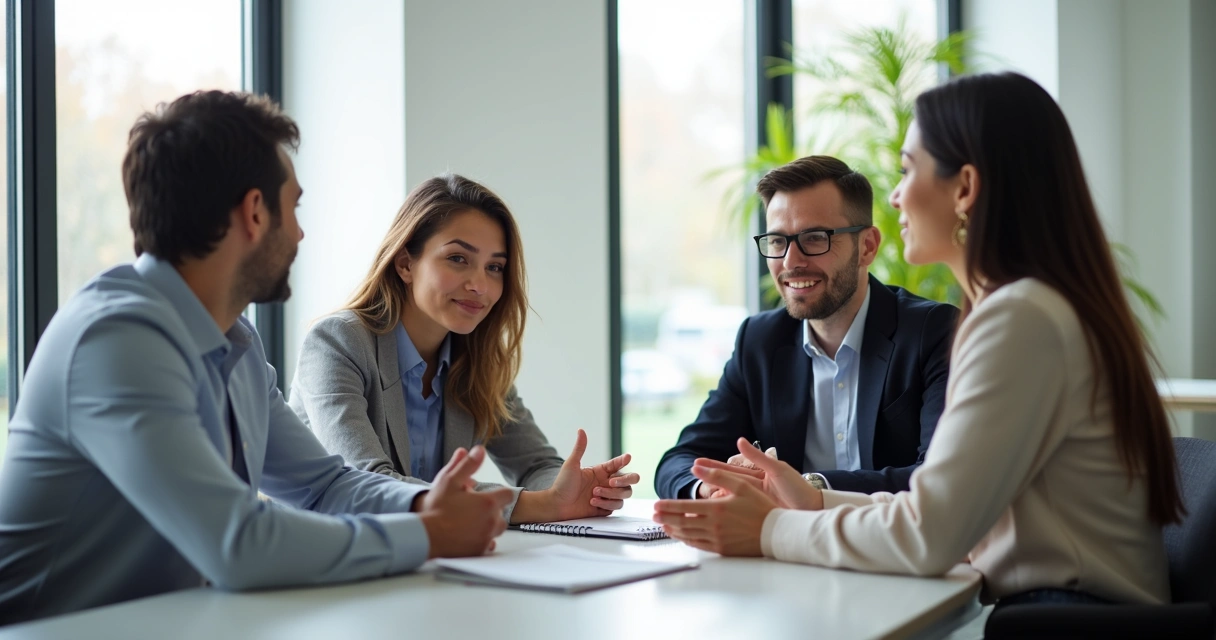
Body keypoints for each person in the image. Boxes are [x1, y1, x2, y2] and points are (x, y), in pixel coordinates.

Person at [653, 72, 1183, 609]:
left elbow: (931, 534)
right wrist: (810, 500)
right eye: (778, 243)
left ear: (965, 188)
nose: (898, 194)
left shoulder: (1020, 321)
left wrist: (769, 530)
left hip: (1070, 624)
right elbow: (949, 514)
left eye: (909, 170)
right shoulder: (1034, 308)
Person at [0, 91, 513, 625]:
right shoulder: (115, 339)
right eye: (293, 208)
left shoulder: (235, 342)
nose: (299, 232)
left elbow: (321, 486)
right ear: (253, 212)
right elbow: (237, 543)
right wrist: (428, 534)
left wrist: (422, 506)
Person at [289, 174, 638, 524]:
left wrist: (571, 491)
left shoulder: (476, 361)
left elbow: (536, 465)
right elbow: (367, 485)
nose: (479, 285)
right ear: (406, 264)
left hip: (419, 559)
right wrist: (541, 506)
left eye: (495, 267)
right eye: (458, 259)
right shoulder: (337, 342)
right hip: (323, 562)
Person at [654, 156, 957, 499]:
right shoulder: (760, 341)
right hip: (782, 549)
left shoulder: (933, 332)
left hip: (892, 547)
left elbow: (941, 476)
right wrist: (708, 487)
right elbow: (679, 461)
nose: (791, 262)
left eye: (814, 238)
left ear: (867, 246)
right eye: (778, 241)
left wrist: (806, 487)